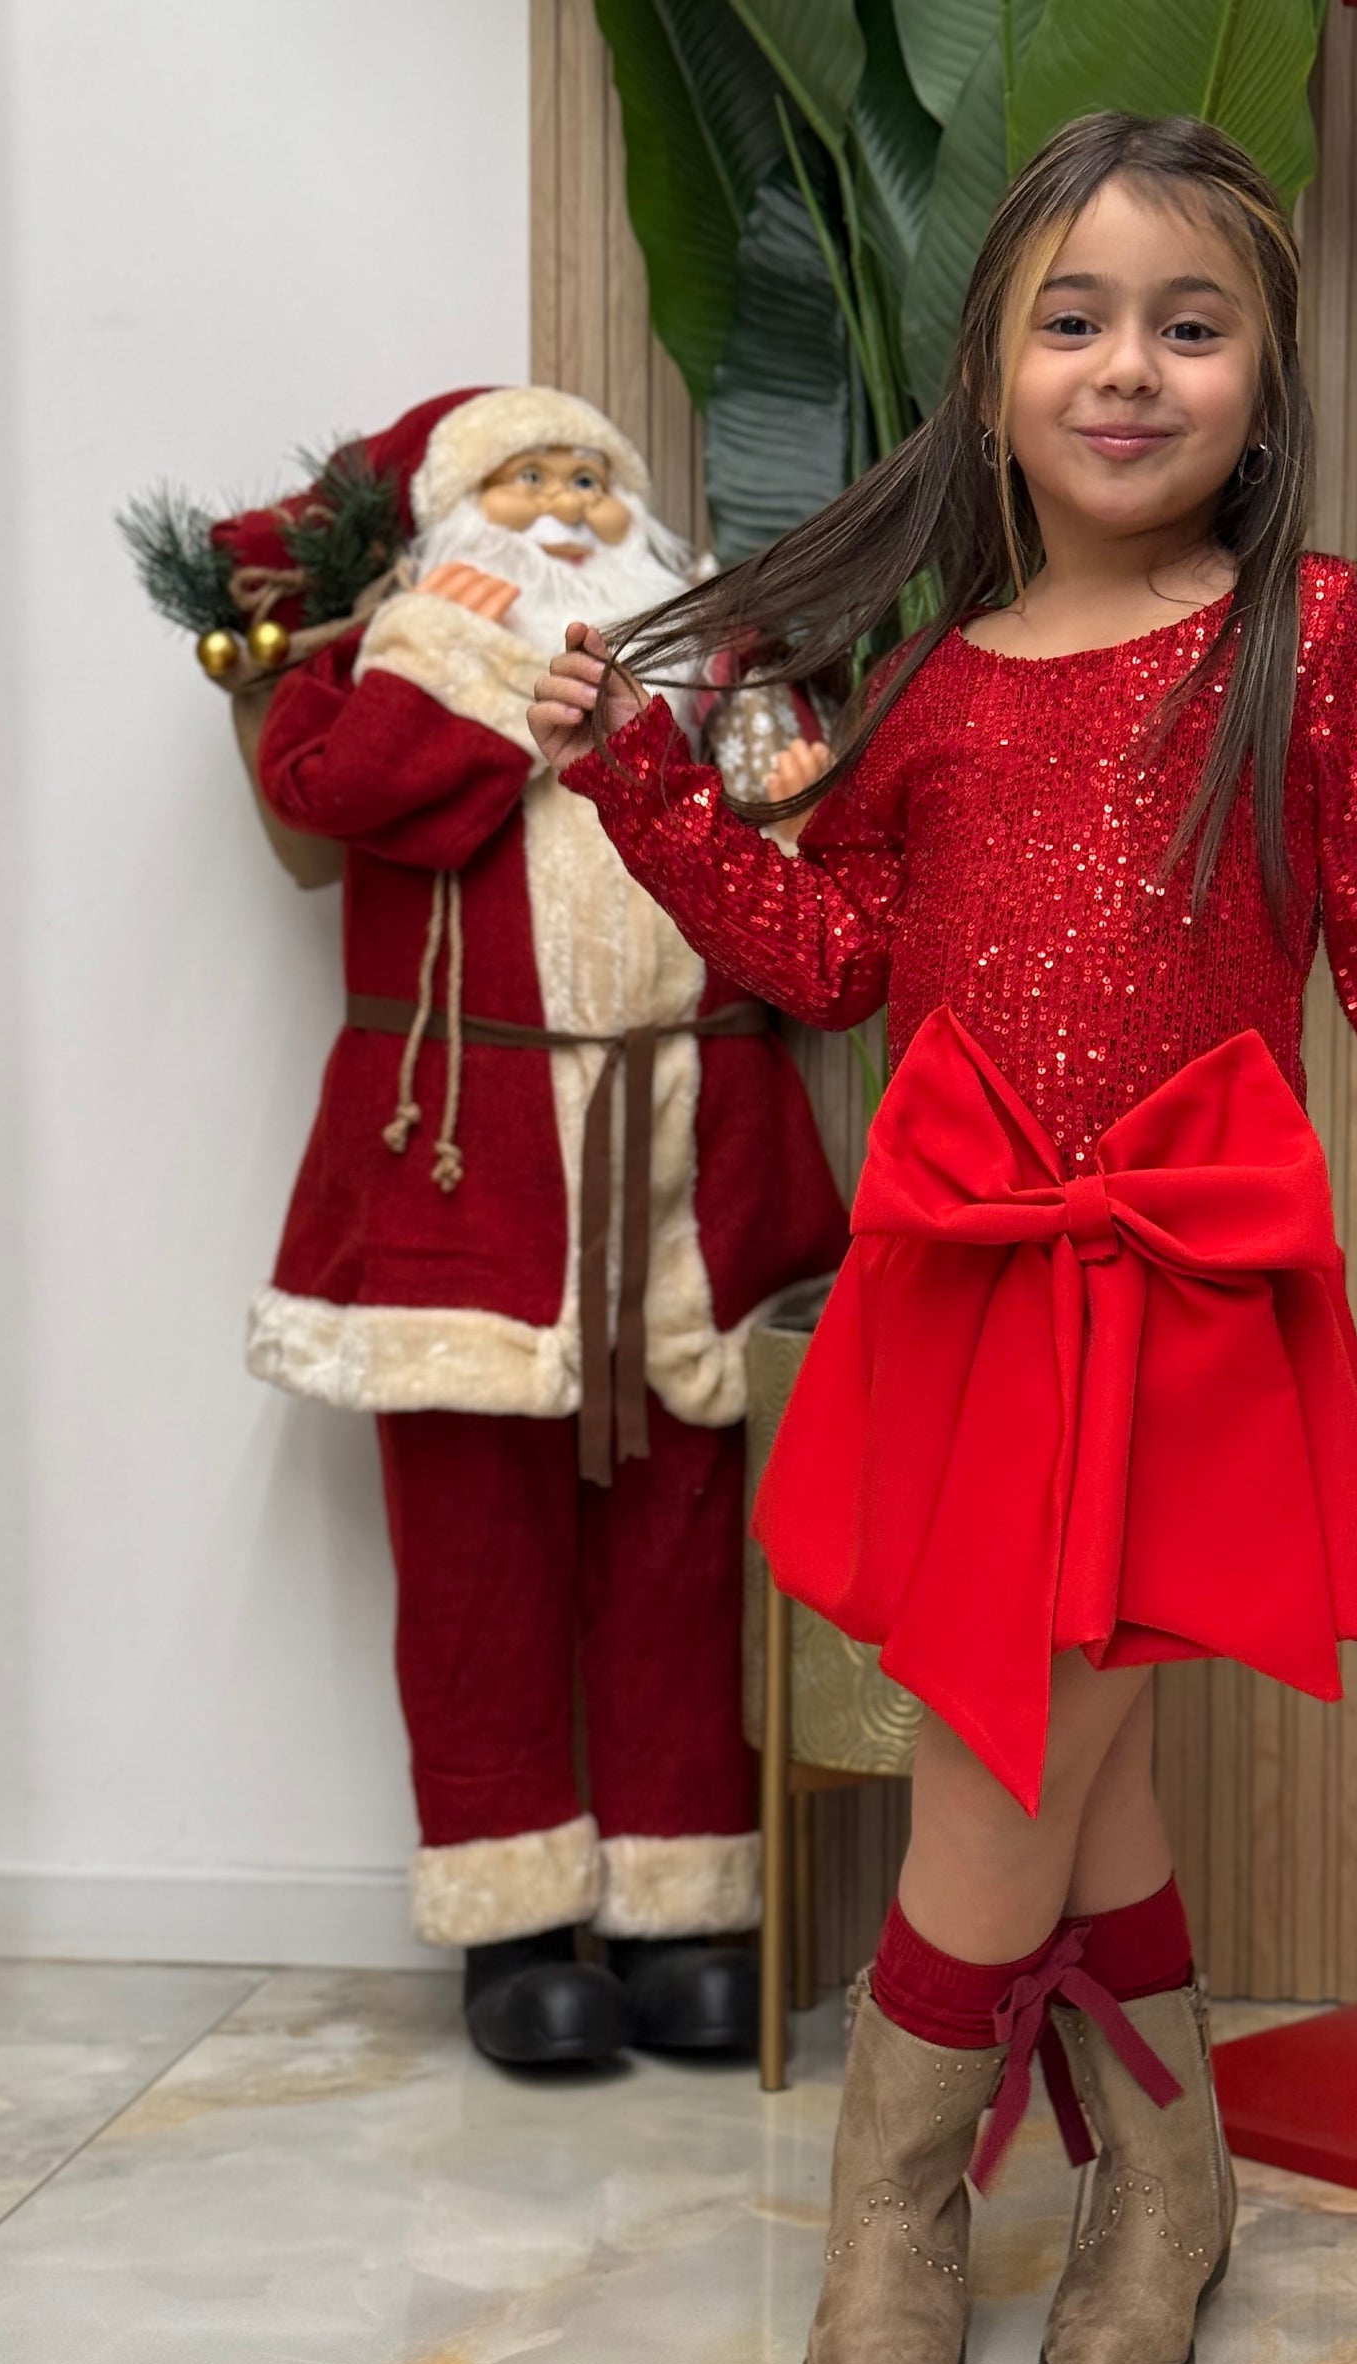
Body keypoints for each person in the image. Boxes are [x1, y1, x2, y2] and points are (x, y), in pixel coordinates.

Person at [528, 115, 1357, 2364]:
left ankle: (894, 2196)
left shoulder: (1308, 635)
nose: (1127, 368)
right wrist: (651, 795)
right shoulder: (939, 680)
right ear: (988, 375)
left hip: (1183, 1289)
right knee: (1078, 1760)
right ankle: (1162, 2177)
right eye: (1072, 321)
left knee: (1008, 1744)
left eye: (1189, 325)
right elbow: (834, 953)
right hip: (973, 1289)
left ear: (1263, 382)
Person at [247, 388, 849, 2067]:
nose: (570, 503)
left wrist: (766, 756)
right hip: (471, 1160)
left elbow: (808, 868)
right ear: (456, 515)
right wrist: (469, 656)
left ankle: (684, 1910)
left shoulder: (714, 663)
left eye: (594, 475)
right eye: (526, 478)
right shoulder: (400, 662)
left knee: (683, 1551)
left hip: (689, 1157)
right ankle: (510, 1925)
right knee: (474, 1563)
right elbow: (351, 795)